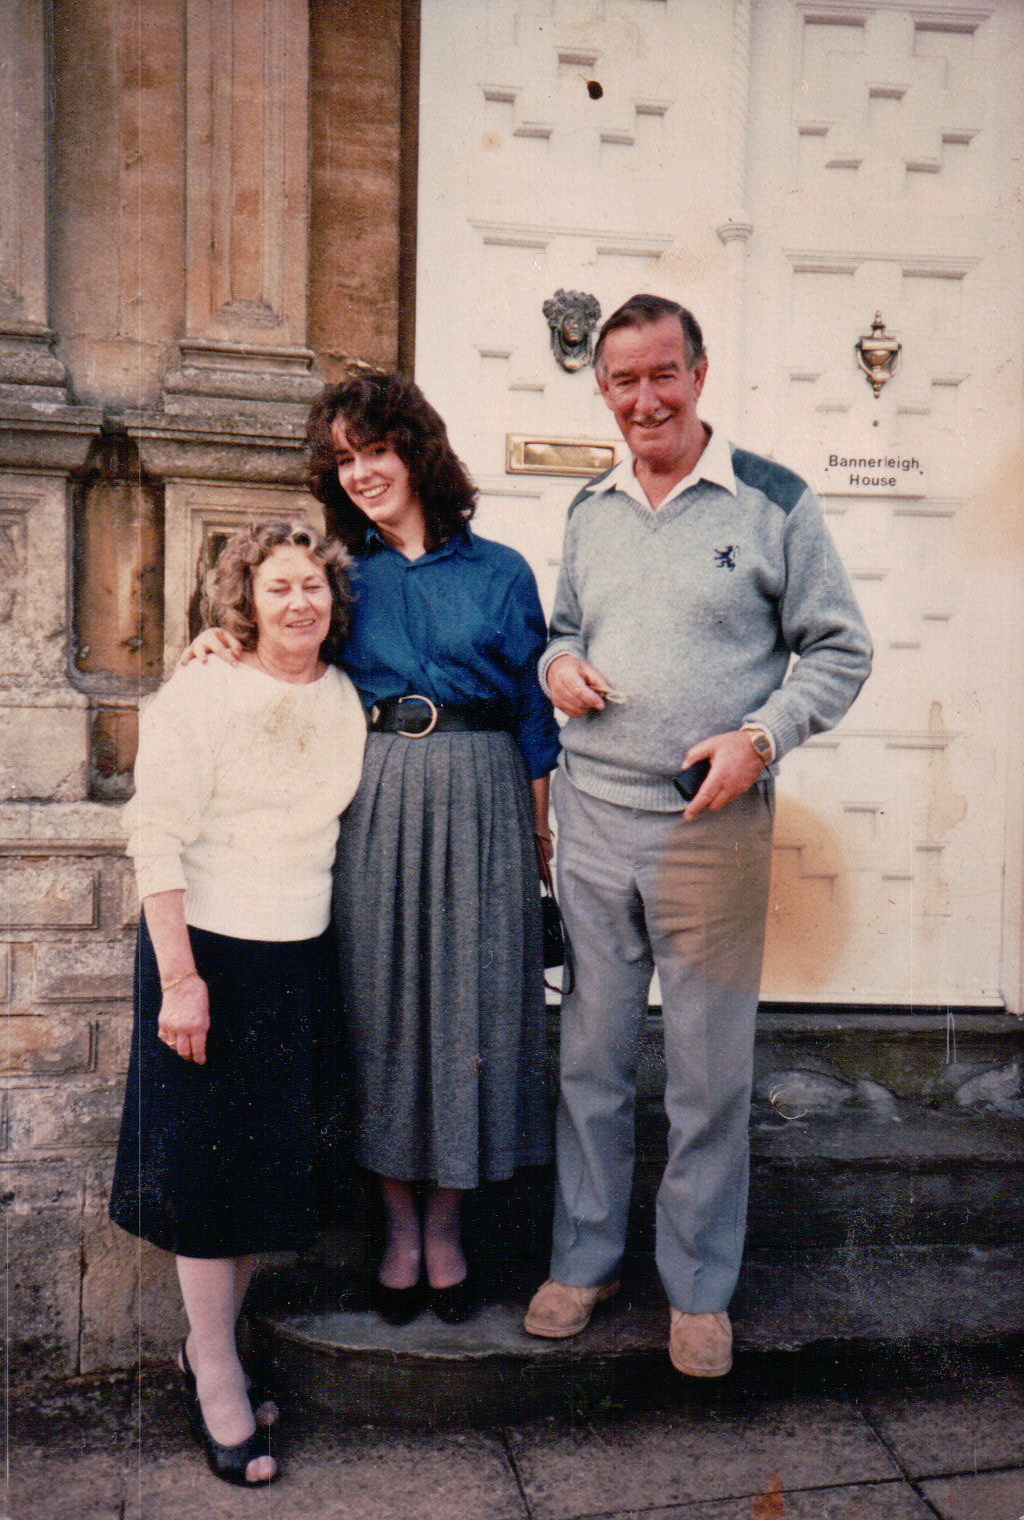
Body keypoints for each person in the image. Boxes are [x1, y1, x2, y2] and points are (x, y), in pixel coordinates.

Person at [523, 293, 872, 1377]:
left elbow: (839, 650)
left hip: (710, 824)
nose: (646, 399)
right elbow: (564, 628)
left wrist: (760, 739)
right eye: (624, 381)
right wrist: (556, 665)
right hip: (592, 815)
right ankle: (584, 1261)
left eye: (663, 374)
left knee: (708, 1071)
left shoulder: (774, 501)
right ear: (602, 391)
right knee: (590, 1055)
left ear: (700, 373)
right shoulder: (589, 506)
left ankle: (699, 1288)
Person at [186, 371, 561, 1326]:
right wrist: (215, 645)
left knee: (474, 1008)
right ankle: (397, 1231)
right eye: (344, 459)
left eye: (376, 451)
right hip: (379, 793)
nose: (361, 473)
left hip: (485, 796)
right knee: (382, 1006)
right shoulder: (342, 576)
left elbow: (533, 716)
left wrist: (539, 837)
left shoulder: (502, 571)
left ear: (417, 453)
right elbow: (281, 646)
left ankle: (449, 1228)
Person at [109, 520, 366, 1486]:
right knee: (208, 1182)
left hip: (299, 954)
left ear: (335, 602)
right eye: (278, 587)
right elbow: (155, 833)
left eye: (314, 586)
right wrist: (180, 980)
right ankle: (214, 1366)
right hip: (206, 955)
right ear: (243, 604)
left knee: (265, 1172)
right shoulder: (203, 687)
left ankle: (207, 1346)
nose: (299, 603)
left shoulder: (344, 694)